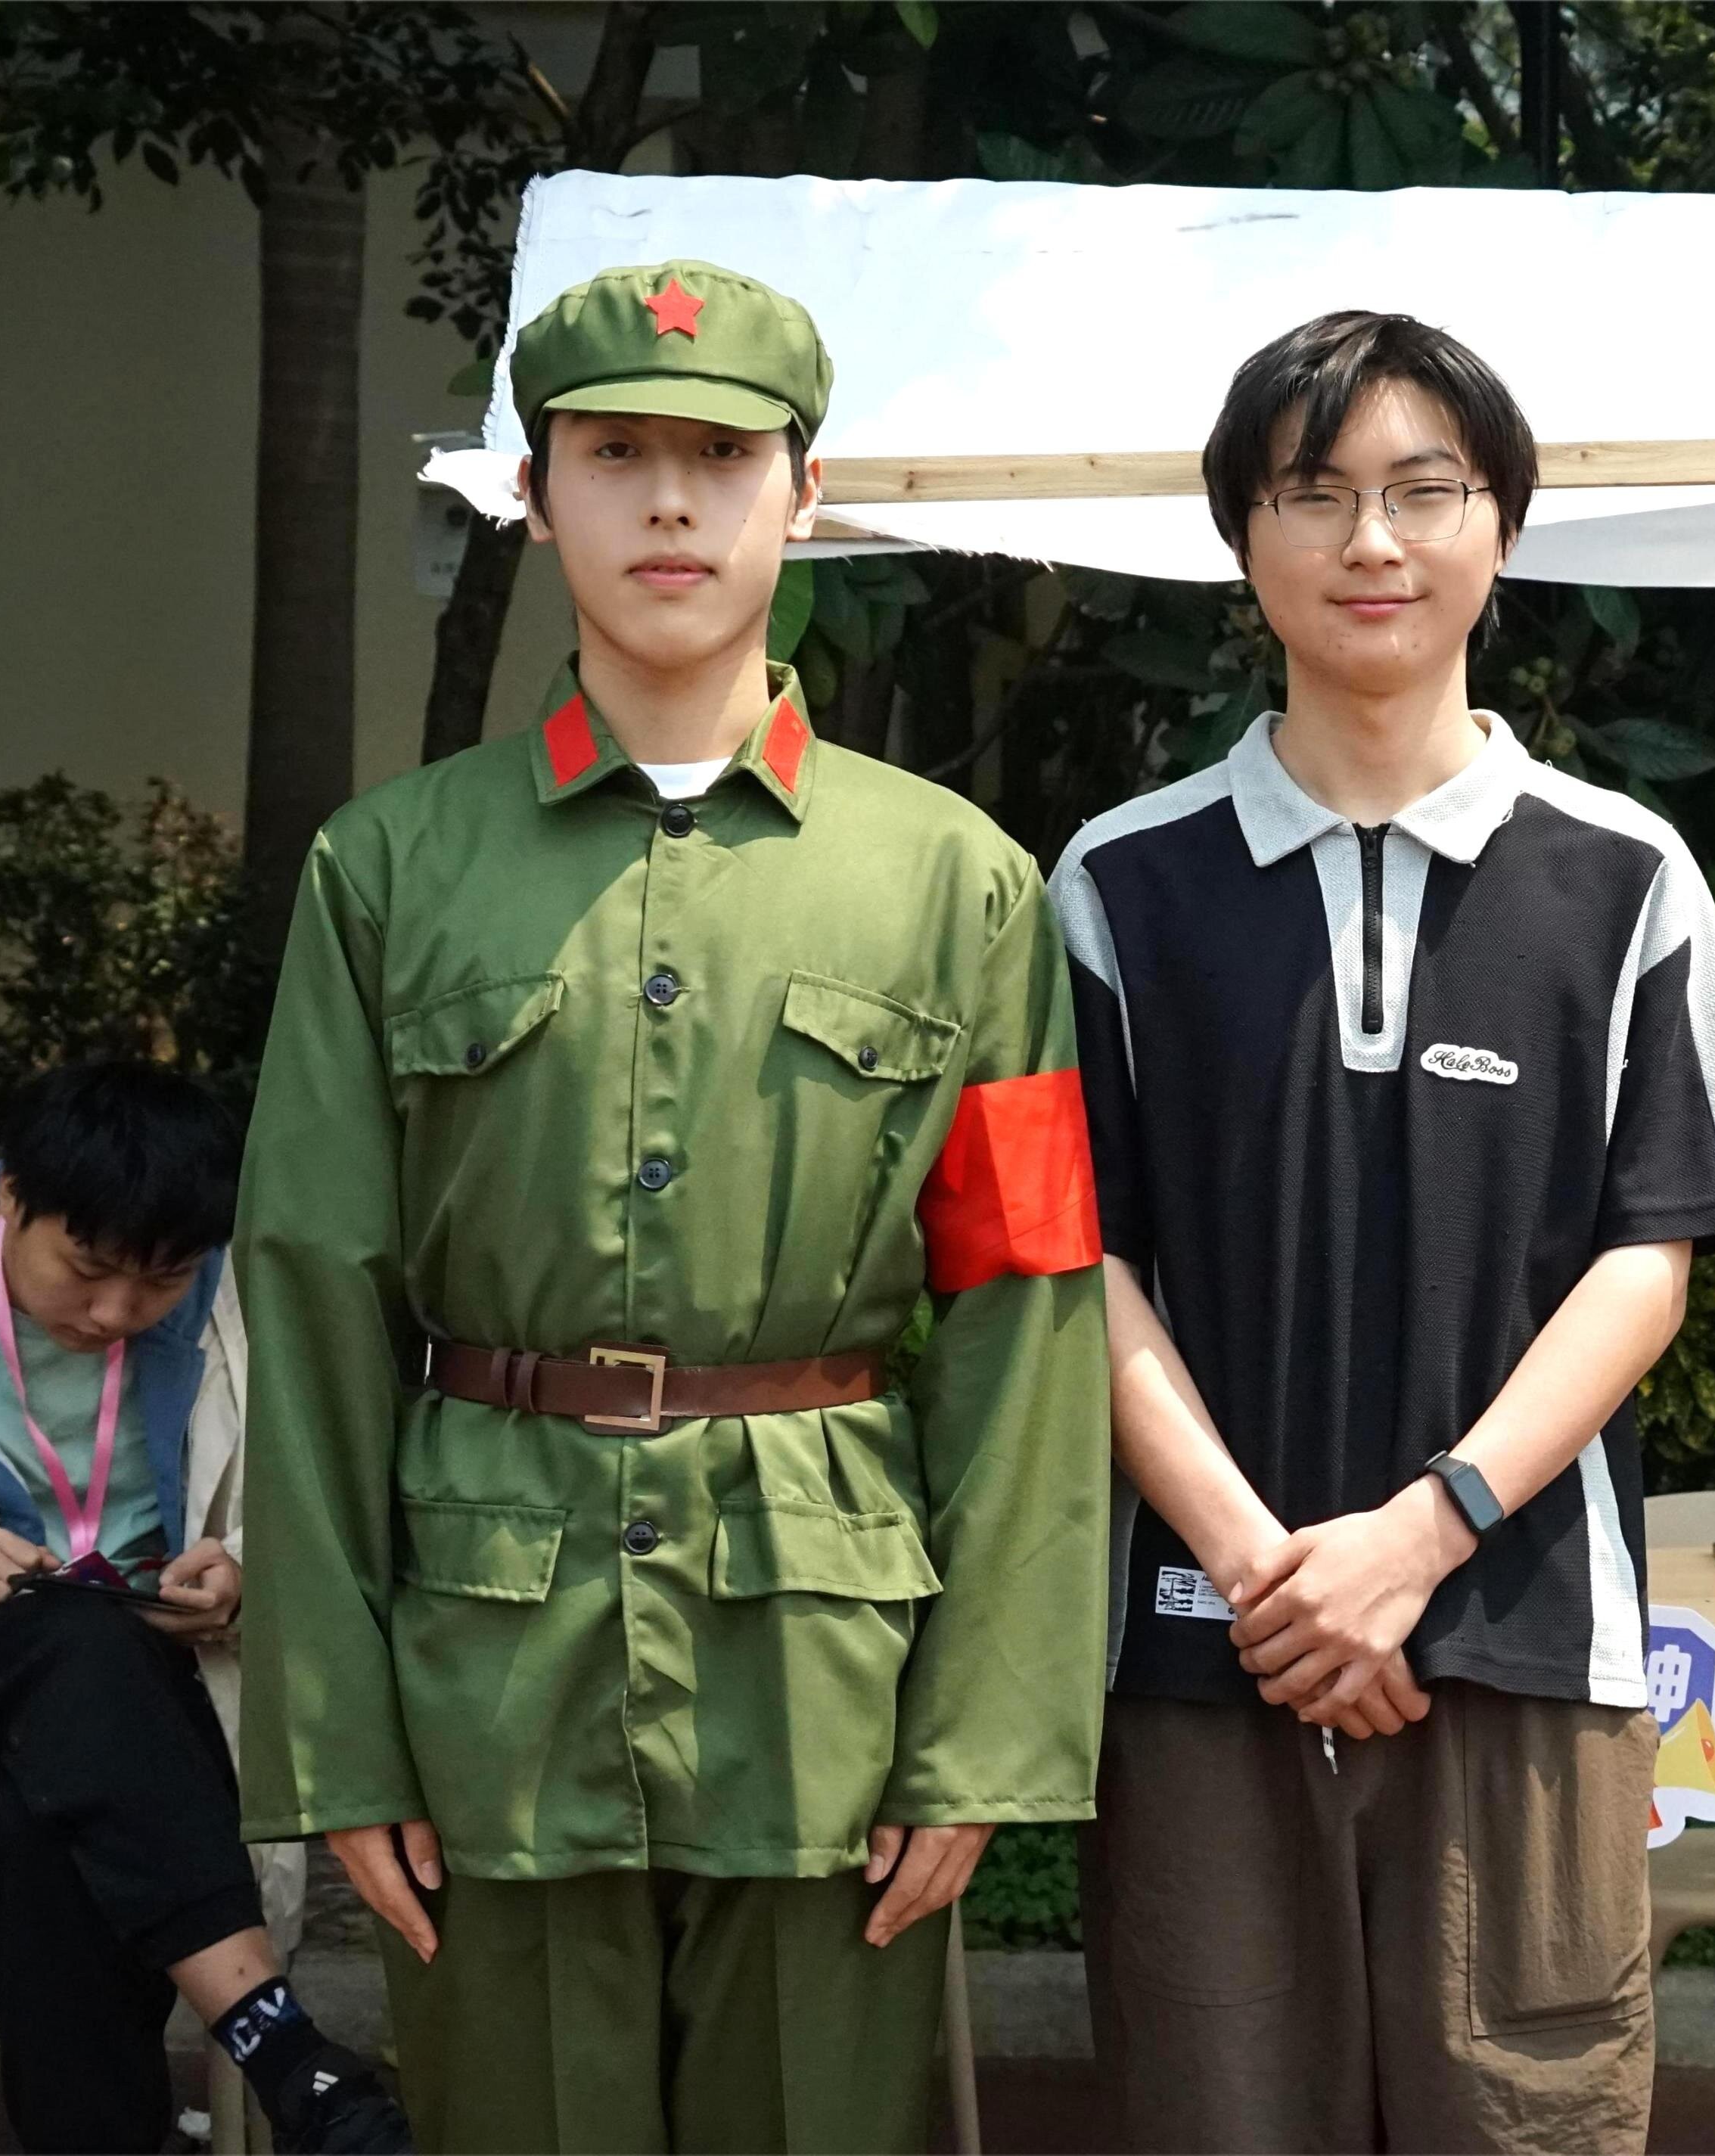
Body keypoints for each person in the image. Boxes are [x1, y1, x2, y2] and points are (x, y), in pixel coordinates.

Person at [232, 257, 1110, 2156]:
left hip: (820, 1674)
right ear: (533, 494)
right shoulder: (389, 871)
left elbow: (1027, 1306)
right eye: (614, 454)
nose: (669, 505)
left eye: (720, 458)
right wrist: (335, 1731)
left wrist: (983, 1732)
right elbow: (307, 1297)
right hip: (488, 1667)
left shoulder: (957, 886)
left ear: (805, 493)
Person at [1049, 309, 1715, 2153]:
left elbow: (1649, 1261)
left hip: (1525, 1640)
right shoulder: (1117, 884)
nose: (1369, 540)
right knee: (1212, 2113)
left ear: (1500, 528)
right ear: (1242, 538)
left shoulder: (1621, 876)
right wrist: (1269, 1574)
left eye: (1421, 491)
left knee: (1524, 2113)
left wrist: (1423, 1531)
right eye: (1313, 494)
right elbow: (1080, 1269)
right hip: (1204, 1645)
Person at [0, 1061, 405, 2154]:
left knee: (44, 1806)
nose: (116, 1313)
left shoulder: (240, 1309)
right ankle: (284, 2049)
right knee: (68, 1639)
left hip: (119, 1737)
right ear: (11, 1196)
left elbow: (324, 1511)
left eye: (161, 1281)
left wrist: (243, 1572)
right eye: (89, 1268)